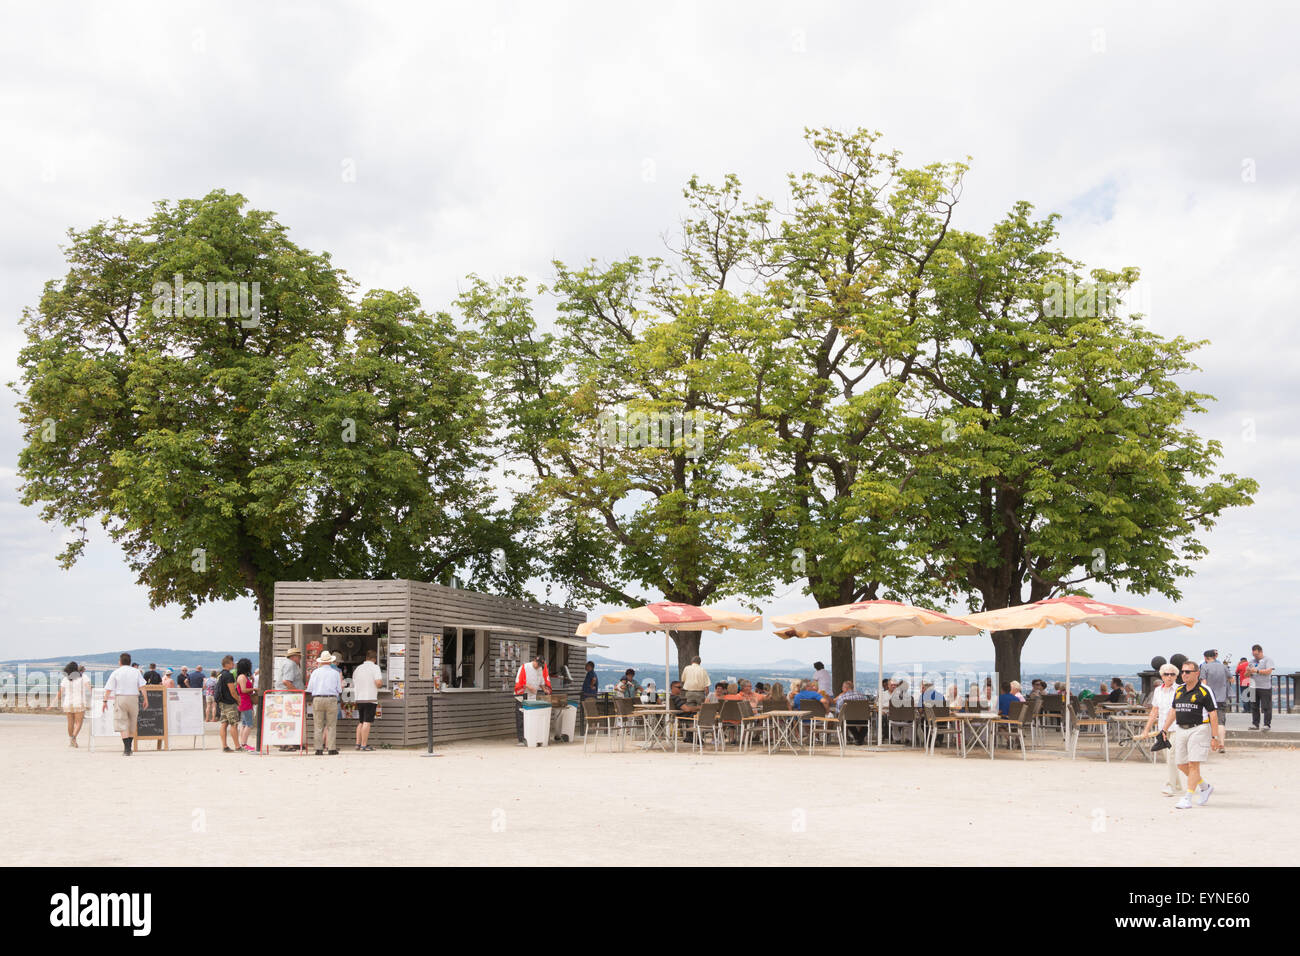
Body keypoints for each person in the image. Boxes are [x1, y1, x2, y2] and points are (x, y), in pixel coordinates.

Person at [1160, 659, 1222, 809]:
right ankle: (1205, 787)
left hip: (1199, 729)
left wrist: (1215, 737)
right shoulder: (1179, 690)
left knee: (1193, 764)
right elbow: (1173, 711)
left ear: (1197, 673)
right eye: (1183, 671)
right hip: (1181, 728)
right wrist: (1164, 729)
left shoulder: (1204, 690)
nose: (1184, 674)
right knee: (1181, 764)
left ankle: (1187, 797)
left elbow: (1213, 714)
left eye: (1188, 672)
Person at [1142, 663, 1183, 796]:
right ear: (1161, 676)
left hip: (1177, 727)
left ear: (1176, 676)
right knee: (1168, 758)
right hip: (1162, 729)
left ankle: (1170, 785)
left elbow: (1175, 710)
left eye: (1172, 674)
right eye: (1166, 674)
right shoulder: (1158, 691)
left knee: (1172, 757)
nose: (1169, 677)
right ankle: (1177, 784)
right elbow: (1154, 711)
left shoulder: (1180, 690)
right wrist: (1146, 730)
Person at [102, 652, 148, 756]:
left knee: (122, 722)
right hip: (133, 698)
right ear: (130, 662)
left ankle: (127, 749)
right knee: (132, 723)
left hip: (121, 698)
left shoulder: (116, 672)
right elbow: (142, 687)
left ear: (120, 662)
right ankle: (129, 748)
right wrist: (146, 699)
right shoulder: (136, 672)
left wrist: (105, 701)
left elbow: (109, 689)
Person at [306, 651, 342, 755]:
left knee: (318, 725)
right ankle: (331, 748)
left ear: (321, 661)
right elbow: (339, 689)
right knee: (331, 725)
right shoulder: (335, 673)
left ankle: (318, 749)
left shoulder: (315, 672)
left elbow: (310, 688)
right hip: (331, 699)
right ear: (331, 661)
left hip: (317, 698)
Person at [513, 653, 551, 746]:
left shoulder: (540, 669)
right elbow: (519, 681)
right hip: (523, 694)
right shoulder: (525, 667)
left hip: (533, 696)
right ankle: (521, 739)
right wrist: (528, 687)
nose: (538, 666)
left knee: (532, 717)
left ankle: (531, 737)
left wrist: (544, 689)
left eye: (540, 665)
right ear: (534, 660)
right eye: (537, 664)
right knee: (521, 717)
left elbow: (541, 681)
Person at [352, 649, 383, 752]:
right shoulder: (375, 668)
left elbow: (354, 682)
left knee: (360, 721)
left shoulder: (358, 668)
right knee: (367, 721)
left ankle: (357, 743)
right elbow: (378, 683)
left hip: (359, 698)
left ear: (366, 658)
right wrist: (380, 685)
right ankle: (364, 745)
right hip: (370, 697)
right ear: (374, 659)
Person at [58, 662, 89, 747]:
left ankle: (71, 739)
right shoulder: (83, 677)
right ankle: (74, 737)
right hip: (79, 702)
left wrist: (56, 701)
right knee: (79, 722)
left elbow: (60, 693)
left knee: (70, 722)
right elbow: (89, 688)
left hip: (68, 703)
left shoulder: (65, 679)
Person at [215, 655, 240, 752]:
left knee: (224, 723)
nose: (233, 664)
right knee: (234, 724)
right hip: (229, 702)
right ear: (227, 664)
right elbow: (232, 691)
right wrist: (238, 700)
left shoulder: (220, 674)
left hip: (222, 702)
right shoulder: (228, 675)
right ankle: (237, 746)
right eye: (232, 663)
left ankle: (224, 746)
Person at [834, 680, 871, 745]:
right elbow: (867, 707)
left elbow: (838, 710)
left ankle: (857, 738)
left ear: (846, 688)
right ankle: (860, 739)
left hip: (849, 719)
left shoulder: (842, 697)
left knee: (847, 719)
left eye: (842, 687)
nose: (842, 689)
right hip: (863, 719)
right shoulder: (862, 696)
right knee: (868, 721)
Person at [1246, 644, 1274, 731]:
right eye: (1254, 655)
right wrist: (1248, 671)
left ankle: (1267, 724)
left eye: (1257, 654)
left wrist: (1256, 671)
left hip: (1264, 687)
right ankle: (1255, 723)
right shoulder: (1251, 661)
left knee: (1266, 706)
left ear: (1261, 652)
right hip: (1253, 686)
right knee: (1254, 706)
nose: (1255, 656)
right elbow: (1246, 675)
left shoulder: (1267, 660)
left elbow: (1268, 671)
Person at [234, 658, 256, 752]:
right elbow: (243, 690)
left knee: (244, 724)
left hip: (244, 702)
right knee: (249, 724)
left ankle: (242, 743)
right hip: (245, 701)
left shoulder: (241, 676)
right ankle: (244, 743)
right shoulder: (242, 677)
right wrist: (255, 689)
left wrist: (252, 681)